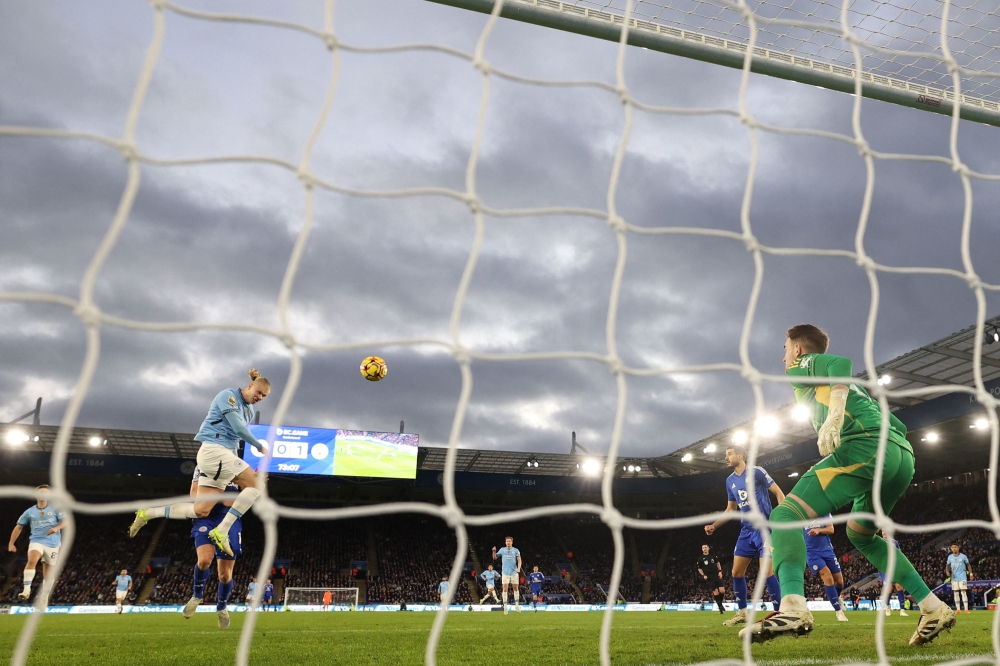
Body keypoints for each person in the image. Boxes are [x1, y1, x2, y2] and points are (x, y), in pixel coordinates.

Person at [741, 324, 954, 646]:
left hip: (865, 448)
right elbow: (895, 422)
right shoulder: (858, 394)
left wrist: (836, 413)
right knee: (860, 534)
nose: (783, 358)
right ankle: (933, 606)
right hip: (901, 455)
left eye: (784, 350)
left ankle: (794, 607)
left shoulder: (803, 367)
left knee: (785, 516)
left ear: (798, 349)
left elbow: (840, 362)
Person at [129, 369, 270, 557]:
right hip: (213, 451)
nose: (260, 397)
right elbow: (237, 427)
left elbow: (235, 440)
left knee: (201, 511)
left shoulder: (249, 411)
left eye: (264, 396)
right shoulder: (228, 396)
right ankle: (221, 531)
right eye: (259, 392)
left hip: (224, 456)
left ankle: (147, 513)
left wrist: (243, 469)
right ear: (250, 385)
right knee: (256, 484)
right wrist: (259, 446)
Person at [704, 445, 785, 627]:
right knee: (736, 572)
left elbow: (779, 493)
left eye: (729, 454)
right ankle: (742, 613)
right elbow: (730, 509)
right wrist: (714, 526)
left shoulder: (757, 472)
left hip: (764, 530)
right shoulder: (730, 481)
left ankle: (780, 613)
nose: (726, 457)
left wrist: (781, 517)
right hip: (746, 532)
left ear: (740, 456)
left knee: (766, 572)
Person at [176, 466, 242, 629]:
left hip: (229, 520)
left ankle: (221, 607)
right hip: (206, 518)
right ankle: (197, 596)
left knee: (225, 575)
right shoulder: (203, 466)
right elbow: (193, 495)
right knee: (204, 560)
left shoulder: (238, 467)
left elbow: (233, 501)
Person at [8, 485, 66, 606]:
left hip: (53, 544)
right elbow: (19, 527)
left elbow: (65, 521)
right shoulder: (29, 512)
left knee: (48, 573)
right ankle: (26, 589)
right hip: (37, 540)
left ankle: (44, 596)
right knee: (32, 560)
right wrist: (11, 543)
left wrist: (57, 528)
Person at [805, 515, 848, 622]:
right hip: (811, 552)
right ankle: (839, 612)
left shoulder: (824, 511)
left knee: (839, 582)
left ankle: (837, 598)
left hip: (827, 551)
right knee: (827, 577)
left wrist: (819, 530)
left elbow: (831, 529)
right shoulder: (801, 512)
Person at [879, 530, 910, 617]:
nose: (884, 533)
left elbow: (899, 555)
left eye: (885, 531)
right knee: (889, 588)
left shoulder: (894, 542)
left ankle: (902, 610)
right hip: (884, 569)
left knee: (899, 587)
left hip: (895, 568)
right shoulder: (879, 542)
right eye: (882, 531)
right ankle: (888, 606)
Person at [493, 537, 521, 615]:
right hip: (505, 573)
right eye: (507, 541)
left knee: (516, 588)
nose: (508, 542)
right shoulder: (502, 550)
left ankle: (517, 605)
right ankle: (505, 606)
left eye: (509, 541)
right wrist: (494, 551)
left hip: (514, 572)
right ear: (505, 542)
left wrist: (518, 568)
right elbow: (495, 558)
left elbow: (519, 560)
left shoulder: (516, 550)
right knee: (505, 589)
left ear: (512, 542)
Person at [696, 544, 726, 615]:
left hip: (716, 575)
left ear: (708, 548)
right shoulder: (700, 558)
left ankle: (720, 604)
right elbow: (699, 568)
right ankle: (720, 608)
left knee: (722, 591)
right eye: (703, 548)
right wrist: (703, 575)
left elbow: (718, 563)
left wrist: (720, 571)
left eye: (705, 547)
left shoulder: (713, 556)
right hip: (709, 578)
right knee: (716, 592)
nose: (704, 549)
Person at [946, 543, 973, 614]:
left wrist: (971, 574)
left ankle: (966, 609)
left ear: (958, 548)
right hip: (954, 577)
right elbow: (948, 565)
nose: (954, 549)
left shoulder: (963, 556)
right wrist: (947, 571)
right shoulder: (950, 557)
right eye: (952, 547)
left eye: (955, 547)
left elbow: (968, 565)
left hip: (962, 576)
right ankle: (958, 609)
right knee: (956, 592)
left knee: (963, 592)